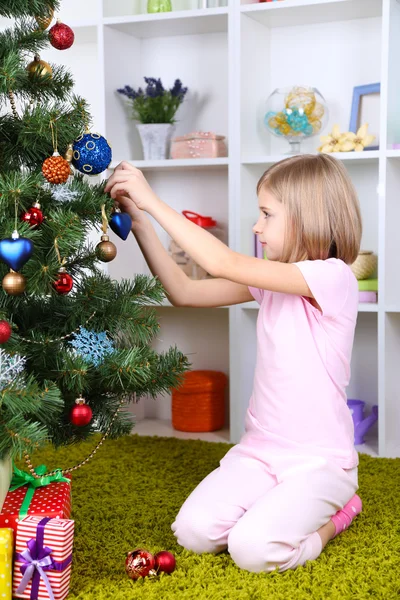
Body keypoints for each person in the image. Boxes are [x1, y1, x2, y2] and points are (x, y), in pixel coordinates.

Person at [105, 153, 363, 573]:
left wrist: (151, 199)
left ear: (307, 216)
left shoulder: (333, 277)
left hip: (319, 462)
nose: (257, 226)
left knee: (253, 550)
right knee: (192, 532)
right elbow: (185, 292)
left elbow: (220, 262)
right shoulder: (271, 280)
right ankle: (277, 503)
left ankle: (339, 515)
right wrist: (140, 223)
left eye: (266, 213)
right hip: (260, 453)